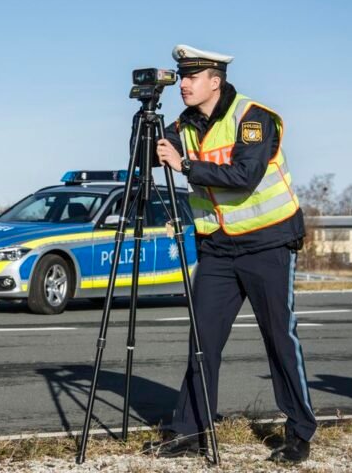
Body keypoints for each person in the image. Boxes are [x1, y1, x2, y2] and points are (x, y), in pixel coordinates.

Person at [145, 44, 317, 463]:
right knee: (202, 341)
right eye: (180, 77)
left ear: (215, 81)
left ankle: (298, 433)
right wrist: (147, 124)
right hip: (218, 248)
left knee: (279, 338)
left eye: (191, 77)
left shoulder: (253, 118)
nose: (183, 84)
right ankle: (188, 430)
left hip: (268, 243)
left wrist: (184, 166)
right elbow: (148, 160)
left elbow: (244, 176)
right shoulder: (182, 125)